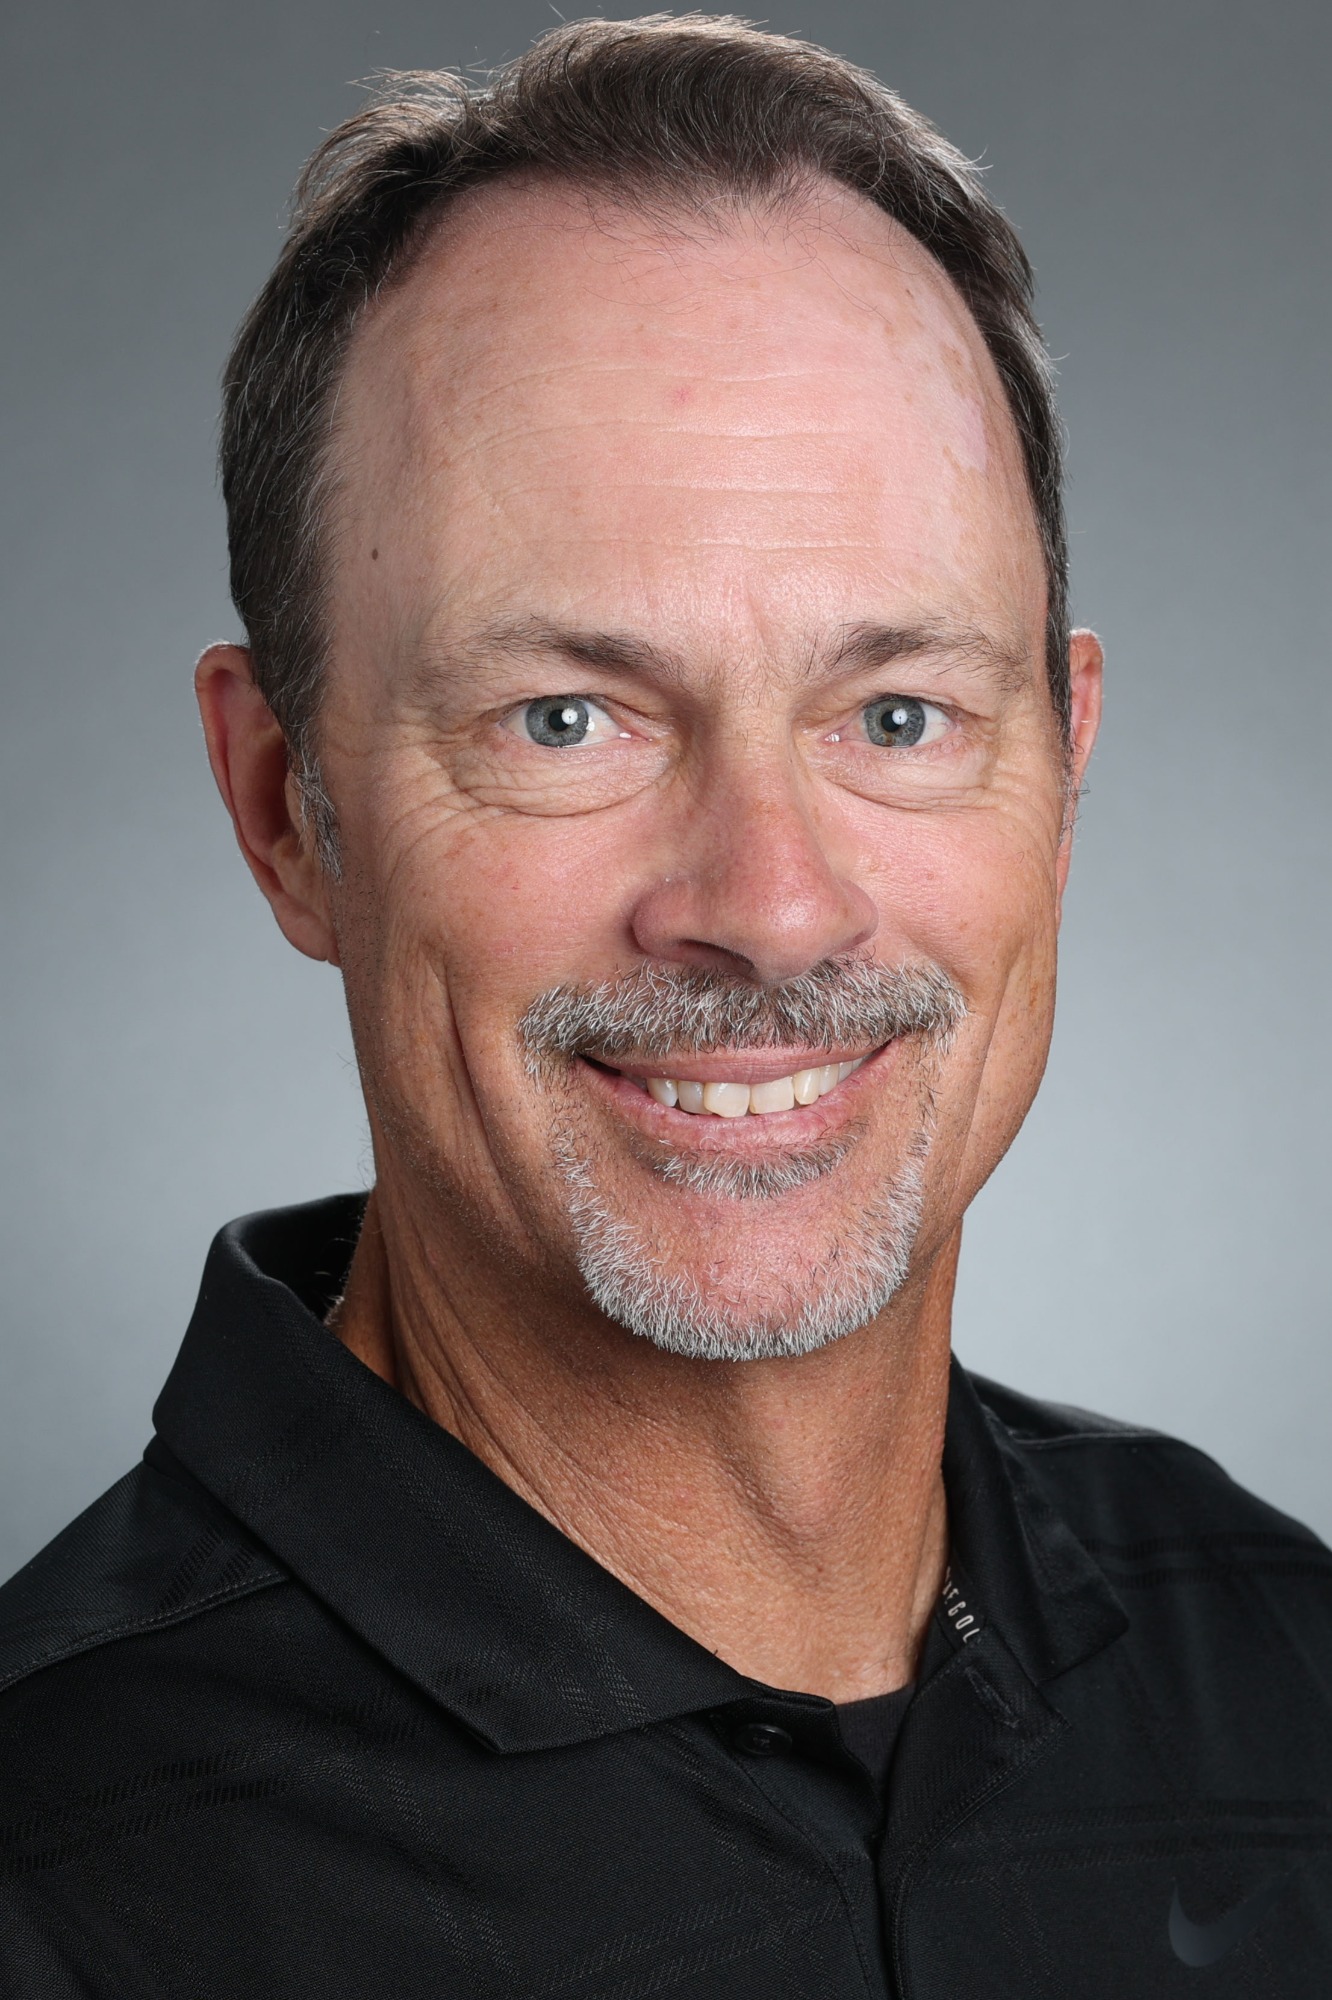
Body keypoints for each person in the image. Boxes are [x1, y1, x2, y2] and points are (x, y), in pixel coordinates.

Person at [1, 15, 1328, 1993]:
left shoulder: (1289, 1669)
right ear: (287, 810)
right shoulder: (53, 1873)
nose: (771, 908)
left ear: (1063, 771)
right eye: (566, 718)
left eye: (899, 713)